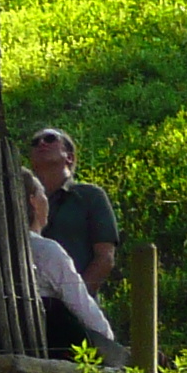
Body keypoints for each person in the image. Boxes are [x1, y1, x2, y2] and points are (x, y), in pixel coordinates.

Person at [24, 168, 130, 367]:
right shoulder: (46, 250)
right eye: (42, 195)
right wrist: (110, 344)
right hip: (56, 353)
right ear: (34, 202)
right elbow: (82, 306)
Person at [25, 126, 119, 294]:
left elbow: (105, 258)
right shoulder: (19, 199)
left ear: (69, 157)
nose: (41, 143)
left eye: (50, 138)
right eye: (35, 142)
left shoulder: (91, 196)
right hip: (25, 307)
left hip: (75, 309)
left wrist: (75, 301)